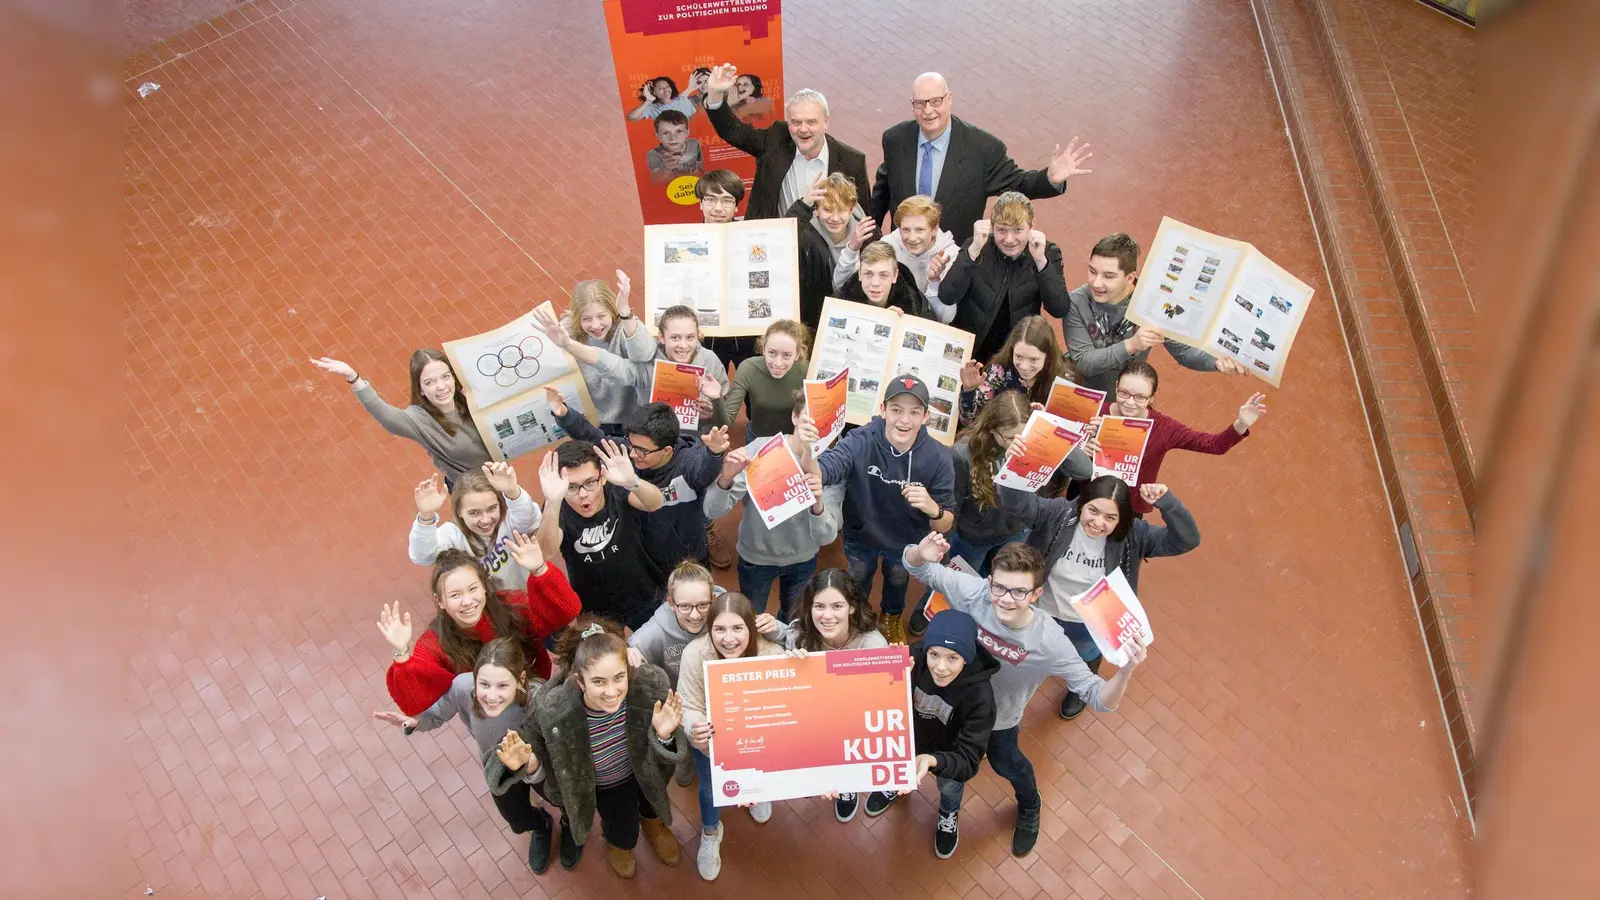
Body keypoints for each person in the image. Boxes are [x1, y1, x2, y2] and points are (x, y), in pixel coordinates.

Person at [902, 536, 1147, 856]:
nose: (1006, 599)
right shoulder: (973, 592)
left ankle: (1030, 804)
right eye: (1000, 588)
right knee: (935, 754)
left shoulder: (1048, 641)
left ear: (1036, 594)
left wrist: (1125, 671)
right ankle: (937, 805)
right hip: (951, 707)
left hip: (1000, 720)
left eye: (1020, 592)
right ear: (989, 582)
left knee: (1008, 763)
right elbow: (915, 566)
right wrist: (920, 552)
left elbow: (1098, 698)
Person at [485, 621, 688, 879]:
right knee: (620, 826)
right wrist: (527, 763)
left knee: (653, 804)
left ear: (628, 670)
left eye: (618, 678)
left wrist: (663, 734)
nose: (612, 691)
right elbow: (516, 754)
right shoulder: (553, 710)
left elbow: (669, 749)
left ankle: (653, 825)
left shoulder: (649, 685)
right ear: (580, 682)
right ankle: (621, 844)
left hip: (645, 770)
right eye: (599, 682)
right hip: (607, 785)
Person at [996, 474, 1198, 719]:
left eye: (1110, 517)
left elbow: (1186, 540)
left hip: (1089, 623)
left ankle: (1080, 688)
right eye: (1093, 510)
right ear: (1082, 503)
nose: (1098, 523)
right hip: (1041, 613)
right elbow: (1015, 502)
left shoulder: (1134, 535)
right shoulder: (1058, 515)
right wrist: (1018, 467)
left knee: (1087, 653)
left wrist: (1167, 503)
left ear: (1121, 519)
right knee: (1029, 654)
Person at [371, 638, 556, 874]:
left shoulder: (539, 699)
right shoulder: (462, 687)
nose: (491, 695)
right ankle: (541, 824)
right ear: (474, 679)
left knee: (556, 797)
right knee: (516, 819)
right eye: (484, 685)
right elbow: (438, 713)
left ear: (520, 680)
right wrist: (416, 721)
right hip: (498, 768)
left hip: (535, 765)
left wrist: (532, 766)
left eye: (502, 686)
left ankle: (569, 826)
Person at [793, 374, 953, 645]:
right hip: (861, 537)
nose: (904, 420)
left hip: (905, 543)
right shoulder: (860, 440)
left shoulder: (939, 456)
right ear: (883, 410)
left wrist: (932, 508)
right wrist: (808, 448)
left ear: (926, 416)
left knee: (898, 580)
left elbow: (945, 523)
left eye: (914, 412)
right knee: (857, 581)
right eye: (896, 410)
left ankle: (891, 617)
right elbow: (823, 472)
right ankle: (860, 619)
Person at [869, 72, 1093, 246]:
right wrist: (873, 235)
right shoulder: (895, 139)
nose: (928, 111)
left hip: (953, 258)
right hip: (904, 252)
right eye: (920, 103)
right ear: (912, 105)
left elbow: (1017, 184)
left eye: (935, 101)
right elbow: (884, 188)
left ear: (949, 99)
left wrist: (1050, 178)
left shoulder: (982, 149)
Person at [378, 540, 582, 716]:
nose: (467, 601)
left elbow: (566, 612)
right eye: (455, 595)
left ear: (484, 586)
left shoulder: (514, 605)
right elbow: (413, 702)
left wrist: (540, 570)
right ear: (440, 601)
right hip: (490, 715)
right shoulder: (435, 643)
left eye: (473, 589)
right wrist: (402, 655)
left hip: (537, 693)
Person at [858, 609, 998, 859]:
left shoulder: (981, 698)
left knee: (950, 788)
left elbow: (968, 760)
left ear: (967, 658)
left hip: (947, 754)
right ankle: (895, 785)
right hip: (907, 745)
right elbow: (864, 691)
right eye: (934, 655)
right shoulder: (911, 659)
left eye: (953, 658)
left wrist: (934, 761)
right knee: (900, 771)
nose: (941, 667)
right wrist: (890, 677)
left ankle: (948, 813)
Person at [751, 568, 886, 822]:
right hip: (816, 724)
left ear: (853, 608)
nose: (827, 616)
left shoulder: (873, 646)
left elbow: (879, 701)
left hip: (853, 724)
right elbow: (787, 638)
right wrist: (788, 657)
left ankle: (848, 787)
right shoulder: (801, 636)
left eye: (837, 606)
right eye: (819, 606)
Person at [544, 388, 728, 571]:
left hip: (685, 552)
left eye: (642, 450)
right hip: (643, 551)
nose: (632, 453)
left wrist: (714, 453)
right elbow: (594, 437)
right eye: (631, 444)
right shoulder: (630, 452)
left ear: (667, 451)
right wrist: (564, 414)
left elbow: (703, 470)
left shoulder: (687, 463)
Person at [675, 592, 786, 880]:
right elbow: (688, 705)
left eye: (738, 628)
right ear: (709, 630)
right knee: (710, 791)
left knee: (761, 776)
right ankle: (711, 831)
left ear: (751, 627)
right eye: (719, 629)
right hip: (712, 747)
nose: (729, 639)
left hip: (762, 745)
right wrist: (694, 728)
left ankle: (757, 793)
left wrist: (798, 660)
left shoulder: (771, 652)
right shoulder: (694, 654)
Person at [705, 391, 844, 620]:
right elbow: (712, 510)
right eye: (809, 418)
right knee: (752, 618)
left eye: (823, 420)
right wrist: (725, 479)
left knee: (794, 618)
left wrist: (817, 502)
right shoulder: (762, 449)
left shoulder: (834, 465)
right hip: (756, 557)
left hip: (803, 559)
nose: (814, 427)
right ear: (795, 417)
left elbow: (826, 536)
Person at [1063, 232, 1250, 393]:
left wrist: (1216, 362)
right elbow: (1083, 362)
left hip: (1125, 398)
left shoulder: (1153, 302)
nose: (1096, 283)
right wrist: (1132, 345)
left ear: (1130, 278)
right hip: (1078, 390)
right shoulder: (1076, 302)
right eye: (1092, 271)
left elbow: (1183, 351)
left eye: (1108, 276)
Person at [701, 64, 869, 220]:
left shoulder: (851, 160)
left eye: (811, 122)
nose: (803, 129)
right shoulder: (775, 138)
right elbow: (732, 131)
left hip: (824, 247)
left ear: (826, 122)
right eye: (796, 122)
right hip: (773, 242)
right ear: (788, 122)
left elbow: (863, 216)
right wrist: (715, 94)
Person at [535, 304, 731, 435]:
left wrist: (711, 410)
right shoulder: (650, 364)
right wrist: (567, 344)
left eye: (690, 337)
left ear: (698, 336)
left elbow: (722, 408)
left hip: (696, 440)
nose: (683, 345)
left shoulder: (710, 361)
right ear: (662, 337)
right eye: (675, 337)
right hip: (655, 438)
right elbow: (610, 363)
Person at [534, 439, 668, 630]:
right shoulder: (557, 507)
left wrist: (633, 482)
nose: (583, 494)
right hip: (594, 607)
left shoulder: (615, 489)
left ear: (602, 477)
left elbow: (655, 503)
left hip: (642, 590)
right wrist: (552, 502)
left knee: (659, 643)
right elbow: (545, 553)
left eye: (590, 482)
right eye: (571, 487)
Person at [309, 350, 489, 485]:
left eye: (445, 377)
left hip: (501, 477)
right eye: (430, 382)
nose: (441, 386)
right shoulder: (421, 420)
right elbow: (387, 417)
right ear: (420, 390)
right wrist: (354, 378)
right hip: (472, 493)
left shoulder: (472, 398)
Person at [938, 192, 1071, 360]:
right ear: (991, 226)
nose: (1009, 239)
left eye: (1018, 230)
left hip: (1015, 355)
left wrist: (1041, 262)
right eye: (1001, 230)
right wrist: (973, 252)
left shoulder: (1048, 253)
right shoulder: (977, 246)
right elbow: (947, 296)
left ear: (1032, 225)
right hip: (968, 348)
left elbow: (1059, 309)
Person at [627, 561, 721, 787]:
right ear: (671, 603)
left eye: (702, 605)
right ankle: (686, 764)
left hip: (719, 699)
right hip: (682, 706)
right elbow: (631, 654)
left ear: (713, 599)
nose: (696, 615)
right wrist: (628, 654)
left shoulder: (724, 611)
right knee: (686, 747)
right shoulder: (652, 634)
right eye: (685, 607)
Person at [407, 463, 540, 592]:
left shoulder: (507, 516)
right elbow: (423, 556)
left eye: (492, 508)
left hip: (525, 593)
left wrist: (513, 491)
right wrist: (426, 516)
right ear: (458, 511)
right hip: (486, 609)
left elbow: (531, 521)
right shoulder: (452, 534)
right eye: (474, 513)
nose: (486, 520)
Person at [564, 273, 656, 432]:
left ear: (612, 311)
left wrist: (625, 311)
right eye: (586, 319)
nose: (596, 325)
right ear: (576, 318)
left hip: (631, 419)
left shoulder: (626, 325)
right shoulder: (566, 332)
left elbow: (643, 354)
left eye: (601, 316)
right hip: (591, 420)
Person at [832, 194, 957, 301]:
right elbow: (842, 286)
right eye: (906, 230)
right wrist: (852, 249)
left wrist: (934, 281)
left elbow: (945, 317)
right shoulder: (888, 245)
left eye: (920, 230)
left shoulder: (950, 255)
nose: (912, 238)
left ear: (934, 229)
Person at [957, 315, 1072, 426]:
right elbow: (971, 422)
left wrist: (1045, 419)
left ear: (1048, 356)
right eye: (1018, 357)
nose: (1024, 366)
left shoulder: (1063, 379)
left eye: (1033, 359)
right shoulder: (998, 372)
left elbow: (1068, 427)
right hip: (1000, 441)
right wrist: (969, 391)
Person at [723, 319, 810, 441]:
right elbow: (726, 421)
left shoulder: (808, 371)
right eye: (772, 353)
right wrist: (716, 399)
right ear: (763, 349)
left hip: (793, 441)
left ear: (797, 354)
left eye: (787, 355)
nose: (778, 363)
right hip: (756, 439)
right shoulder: (748, 368)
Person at [836, 240, 933, 320]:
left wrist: (900, 324)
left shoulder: (918, 307)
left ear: (895, 276)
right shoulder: (837, 307)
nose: (875, 283)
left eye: (883, 275)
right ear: (860, 274)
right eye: (868, 274)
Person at [646, 110, 704, 183]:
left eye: (679, 131)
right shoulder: (654, 154)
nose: (673, 138)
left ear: (687, 132)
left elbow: (700, 163)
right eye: (666, 133)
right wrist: (666, 168)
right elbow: (656, 180)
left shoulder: (694, 143)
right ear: (657, 136)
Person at [626, 75, 699, 120]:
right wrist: (648, 101)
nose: (666, 90)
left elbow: (692, 120)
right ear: (653, 92)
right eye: (660, 88)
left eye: (667, 86)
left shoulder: (682, 100)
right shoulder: (652, 108)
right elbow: (631, 117)